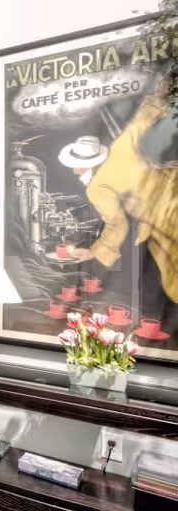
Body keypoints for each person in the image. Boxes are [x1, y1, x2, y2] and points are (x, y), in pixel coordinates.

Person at [84, 78, 178, 332]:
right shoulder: (125, 145)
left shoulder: (98, 187)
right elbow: (143, 119)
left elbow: (117, 224)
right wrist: (158, 95)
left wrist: (98, 251)